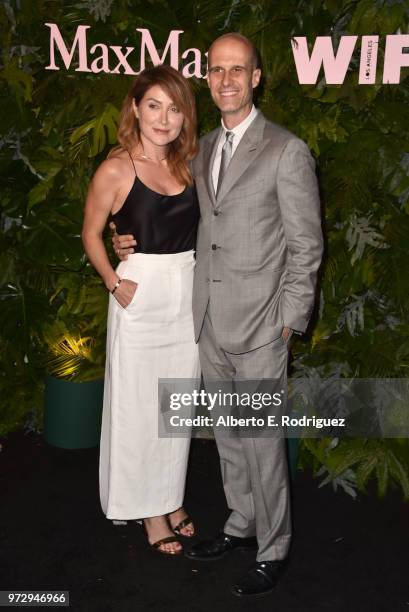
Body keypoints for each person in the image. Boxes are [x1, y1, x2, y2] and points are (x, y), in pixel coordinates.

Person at [113, 33, 323, 595]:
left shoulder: (286, 150)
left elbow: (307, 245)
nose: (226, 79)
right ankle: (241, 524)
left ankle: (275, 545)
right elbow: (171, 215)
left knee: (262, 443)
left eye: (239, 69)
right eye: (216, 70)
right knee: (229, 438)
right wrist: (123, 240)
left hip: (261, 326)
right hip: (205, 319)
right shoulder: (198, 148)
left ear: (257, 77)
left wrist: (289, 319)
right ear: (207, 78)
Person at [82, 65, 201, 556]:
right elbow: (91, 233)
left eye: (174, 109)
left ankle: (171, 497)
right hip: (141, 293)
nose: (164, 118)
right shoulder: (116, 168)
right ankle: (150, 511)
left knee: (175, 407)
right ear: (135, 107)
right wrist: (114, 281)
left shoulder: (190, 163)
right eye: (154, 105)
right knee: (137, 407)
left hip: (188, 292)